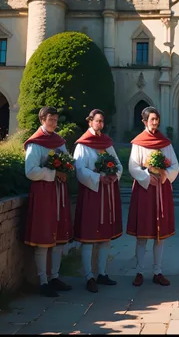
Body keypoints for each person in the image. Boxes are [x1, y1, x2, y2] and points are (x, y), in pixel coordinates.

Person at [23, 106, 73, 297]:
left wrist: (66, 170)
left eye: (55, 119)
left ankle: (55, 277)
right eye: (50, 119)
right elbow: (31, 171)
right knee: (43, 237)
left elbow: (67, 162)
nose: (54, 123)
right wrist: (54, 173)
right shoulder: (35, 144)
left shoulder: (59, 142)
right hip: (44, 193)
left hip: (59, 192)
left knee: (59, 237)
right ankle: (43, 281)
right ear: (42, 120)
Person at [127, 106, 179, 287]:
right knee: (142, 235)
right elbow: (133, 166)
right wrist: (147, 177)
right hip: (145, 190)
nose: (155, 122)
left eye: (157, 119)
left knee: (160, 235)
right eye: (152, 120)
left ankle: (157, 272)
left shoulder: (165, 142)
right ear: (145, 121)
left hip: (161, 190)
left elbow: (175, 166)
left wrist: (165, 174)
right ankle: (139, 272)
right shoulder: (139, 142)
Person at [73, 109, 123, 293]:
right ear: (90, 122)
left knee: (105, 237)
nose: (100, 124)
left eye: (102, 121)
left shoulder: (107, 143)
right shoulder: (82, 145)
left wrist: (113, 176)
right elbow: (79, 169)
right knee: (89, 238)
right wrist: (98, 178)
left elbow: (118, 164)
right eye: (97, 121)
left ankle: (101, 273)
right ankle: (89, 276)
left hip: (107, 194)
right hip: (92, 194)